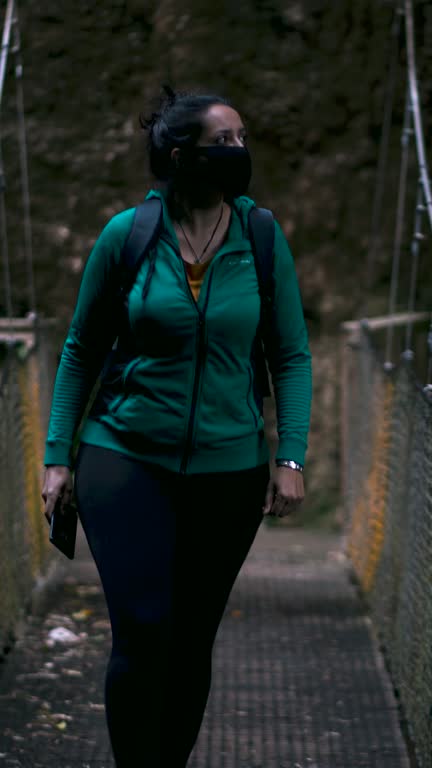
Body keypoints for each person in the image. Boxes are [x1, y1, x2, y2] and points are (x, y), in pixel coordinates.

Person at [41, 87, 312, 768]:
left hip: (229, 469)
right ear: (180, 153)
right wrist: (56, 455)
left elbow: (290, 354)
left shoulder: (259, 235)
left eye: (243, 138)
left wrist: (292, 456)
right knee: (143, 630)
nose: (240, 152)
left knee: (191, 640)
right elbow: (81, 348)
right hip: (124, 456)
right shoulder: (127, 235)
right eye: (225, 141)